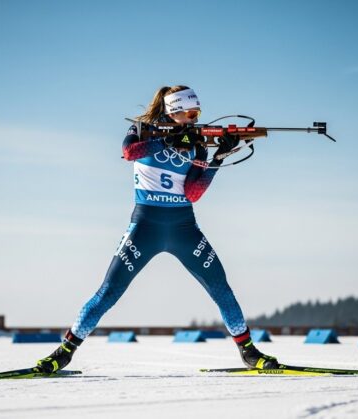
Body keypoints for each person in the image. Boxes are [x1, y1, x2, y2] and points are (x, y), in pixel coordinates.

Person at [36, 85, 278, 373]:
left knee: (221, 288)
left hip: (183, 227)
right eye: (190, 112)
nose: (194, 118)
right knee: (108, 293)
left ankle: (249, 352)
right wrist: (170, 140)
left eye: (197, 113)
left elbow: (193, 193)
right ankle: (63, 353)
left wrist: (217, 158)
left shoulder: (198, 144)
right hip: (145, 226)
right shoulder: (143, 129)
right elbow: (129, 152)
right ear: (173, 111)